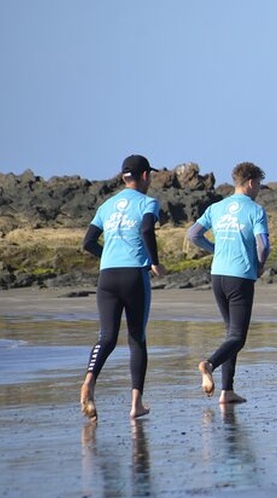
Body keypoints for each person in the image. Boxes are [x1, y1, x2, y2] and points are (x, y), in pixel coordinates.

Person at [80, 154, 166, 421]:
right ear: (144, 176)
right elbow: (145, 229)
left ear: (122, 177)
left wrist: (109, 255)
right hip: (133, 277)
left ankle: (89, 381)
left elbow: (88, 242)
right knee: (136, 338)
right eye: (149, 176)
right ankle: (136, 404)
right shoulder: (148, 202)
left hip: (107, 277)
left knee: (106, 337)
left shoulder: (107, 205)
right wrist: (154, 262)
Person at [188, 162, 270, 405]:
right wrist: (259, 265)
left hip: (217, 276)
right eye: (259, 185)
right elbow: (263, 245)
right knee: (238, 337)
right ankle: (209, 364)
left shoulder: (216, 207)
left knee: (230, 334)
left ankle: (227, 391)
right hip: (240, 276)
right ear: (251, 182)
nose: (259, 189)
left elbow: (193, 234)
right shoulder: (255, 210)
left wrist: (215, 249)